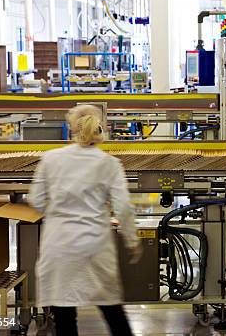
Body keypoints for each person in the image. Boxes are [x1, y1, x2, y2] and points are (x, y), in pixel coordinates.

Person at [28, 104, 142, 336]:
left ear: (70, 127)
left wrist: (60, 206)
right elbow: (123, 208)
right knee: (112, 312)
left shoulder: (50, 159)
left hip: (60, 245)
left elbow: (36, 201)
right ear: (101, 125)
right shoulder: (109, 163)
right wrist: (132, 240)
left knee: (64, 316)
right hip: (95, 246)